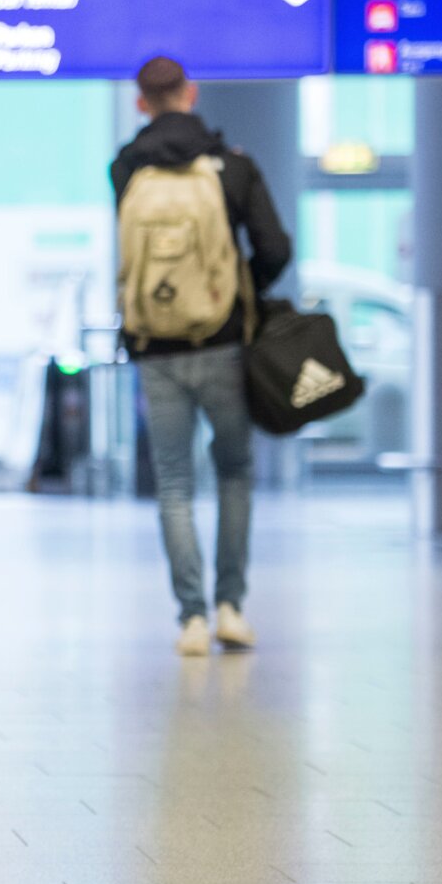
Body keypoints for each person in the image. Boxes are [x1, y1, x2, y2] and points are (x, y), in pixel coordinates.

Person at [112, 56, 290, 657]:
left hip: (152, 346)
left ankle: (189, 618)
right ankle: (229, 606)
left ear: (140, 103)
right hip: (222, 344)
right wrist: (246, 292)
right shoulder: (233, 168)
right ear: (191, 94)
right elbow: (275, 247)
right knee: (235, 473)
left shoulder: (125, 168)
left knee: (173, 484)